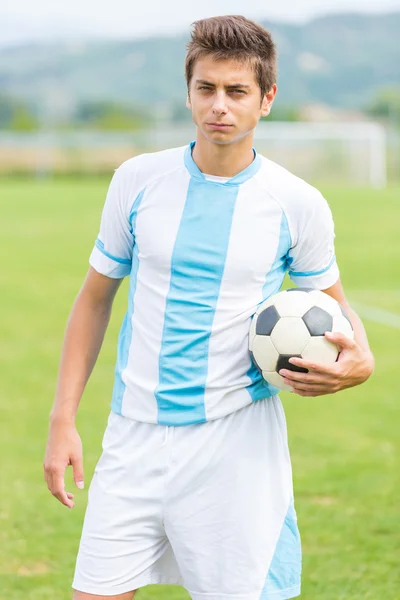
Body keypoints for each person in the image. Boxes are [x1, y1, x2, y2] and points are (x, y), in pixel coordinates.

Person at [44, 15, 374, 600]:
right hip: (132, 435)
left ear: (266, 99)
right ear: (190, 91)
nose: (219, 105)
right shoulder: (137, 181)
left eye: (237, 91)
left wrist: (361, 362)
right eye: (207, 89)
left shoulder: (297, 203)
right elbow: (94, 301)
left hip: (235, 444)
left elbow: (339, 314)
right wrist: (62, 419)